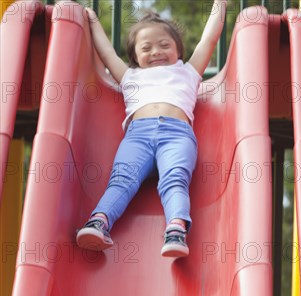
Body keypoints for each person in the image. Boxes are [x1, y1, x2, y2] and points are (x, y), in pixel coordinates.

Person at [76, 1, 227, 258]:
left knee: (175, 180)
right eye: (146, 48)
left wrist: (220, 5)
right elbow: (106, 53)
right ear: (135, 56)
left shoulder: (188, 72)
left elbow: (209, 39)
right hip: (138, 136)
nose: (156, 51)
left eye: (165, 45)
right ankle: (99, 222)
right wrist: (92, 21)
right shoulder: (129, 77)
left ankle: (176, 229)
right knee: (122, 180)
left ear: (178, 50)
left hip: (177, 135)